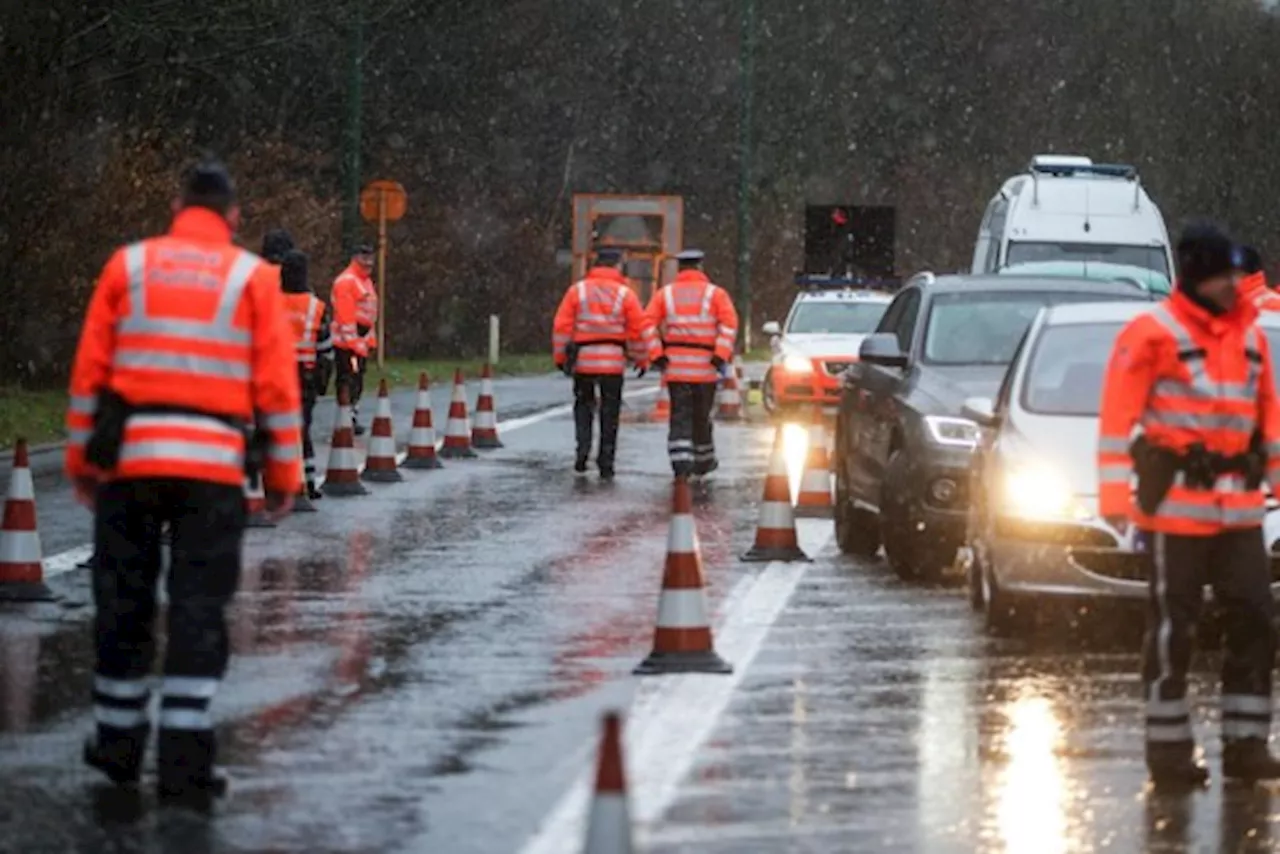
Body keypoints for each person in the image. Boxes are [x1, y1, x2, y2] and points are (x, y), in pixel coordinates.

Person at [65, 160, 301, 805]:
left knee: (123, 604)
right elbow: (277, 390)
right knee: (199, 610)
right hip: (212, 470)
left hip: (133, 463)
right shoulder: (253, 278)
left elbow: (91, 371)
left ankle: (117, 745)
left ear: (176, 205)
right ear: (234, 217)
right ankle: (184, 760)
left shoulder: (129, 266)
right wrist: (283, 475)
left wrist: (83, 462)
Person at [1097, 222, 1280, 790]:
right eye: (1225, 274)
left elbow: (1268, 416)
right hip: (1176, 512)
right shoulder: (1151, 333)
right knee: (1176, 632)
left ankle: (1247, 745)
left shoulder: (1250, 335)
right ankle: (1170, 755)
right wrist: (1114, 499)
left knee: (1256, 620)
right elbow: (1117, 419)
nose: (1235, 284)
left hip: (1240, 512)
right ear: (1200, 276)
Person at [552, 248, 659, 478]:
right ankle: (606, 460)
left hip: (584, 361)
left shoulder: (577, 291)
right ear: (618, 265)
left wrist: (561, 357)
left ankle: (582, 450)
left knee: (583, 406)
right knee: (610, 412)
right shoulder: (625, 294)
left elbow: (562, 327)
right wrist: (642, 359)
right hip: (612, 362)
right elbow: (637, 331)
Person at [645, 249, 739, 478]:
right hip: (705, 369)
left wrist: (656, 354)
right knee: (701, 416)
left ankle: (681, 463)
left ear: (679, 269)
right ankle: (703, 460)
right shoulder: (716, 295)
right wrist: (720, 354)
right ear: (700, 268)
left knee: (680, 416)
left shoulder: (664, 295)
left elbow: (646, 324)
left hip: (676, 370)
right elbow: (729, 324)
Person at [281, 248, 333, 499]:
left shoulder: (270, 301)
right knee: (302, 429)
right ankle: (308, 482)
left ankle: (273, 482)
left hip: (274, 376)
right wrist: (323, 381)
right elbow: (325, 348)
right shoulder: (316, 307)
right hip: (304, 377)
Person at [329, 244, 378, 433]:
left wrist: (367, 340)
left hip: (360, 340)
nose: (368, 262)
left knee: (357, 377)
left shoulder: (365, 281)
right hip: (347, 342)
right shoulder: (347, 281)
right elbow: (345, 315)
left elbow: (369, 313)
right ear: (355, 257)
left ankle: (351, 414)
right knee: (348, 377)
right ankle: (345, 416)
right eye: (364, 257)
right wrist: (354, 342)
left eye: (370, 257)